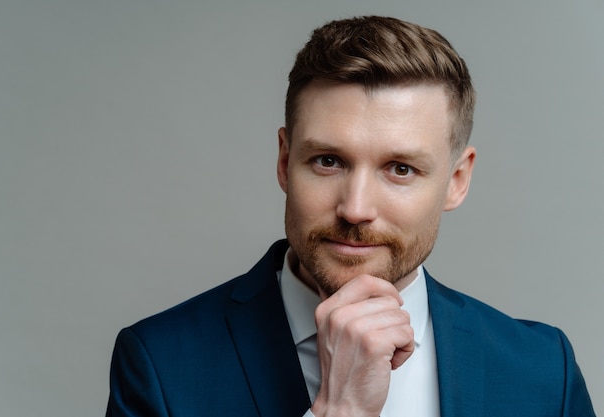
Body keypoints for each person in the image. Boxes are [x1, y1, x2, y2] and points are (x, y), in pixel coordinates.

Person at [106, 16, 595, 417]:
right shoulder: (161, 364)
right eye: (328, 161)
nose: (356, 208)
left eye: (400, 169)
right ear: (284, 161)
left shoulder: (542, 371)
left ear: (457, 180)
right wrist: (338, 411)